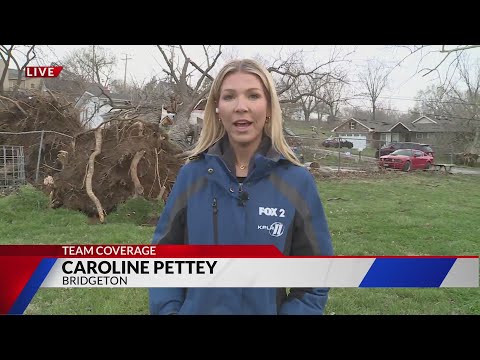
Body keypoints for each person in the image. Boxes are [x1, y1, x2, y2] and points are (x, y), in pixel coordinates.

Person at [149, 59, 334, 315]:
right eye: (229, 97)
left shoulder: (296, 182)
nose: (241, 107)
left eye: (253, 96)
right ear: (217, 108)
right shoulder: (192, 176)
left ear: (268, 107)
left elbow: (316, 275)